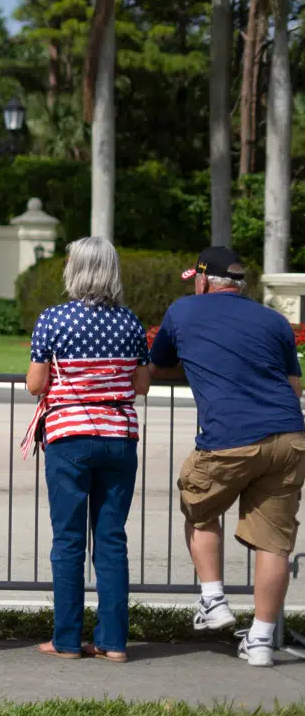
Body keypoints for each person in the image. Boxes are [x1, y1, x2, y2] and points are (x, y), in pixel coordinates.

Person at [149, 246, 305, 668]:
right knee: (274, 542)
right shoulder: (274, 320)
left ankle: (213, 600)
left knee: (199, 506)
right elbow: (294, 387)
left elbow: (158, 364)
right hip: (288, 436)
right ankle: (261, 641)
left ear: (202, 280)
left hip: (229, 436)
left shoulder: (183, 311)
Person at [26, 238, 150, 663]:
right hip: (119, 437)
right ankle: (113, 642)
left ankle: (66, 639)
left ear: (74, 270)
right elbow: (141, 385)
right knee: (112, 539)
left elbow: (36, 384)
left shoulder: (54, 319)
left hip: (70, 438)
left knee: (69, 539)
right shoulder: (130, 323)